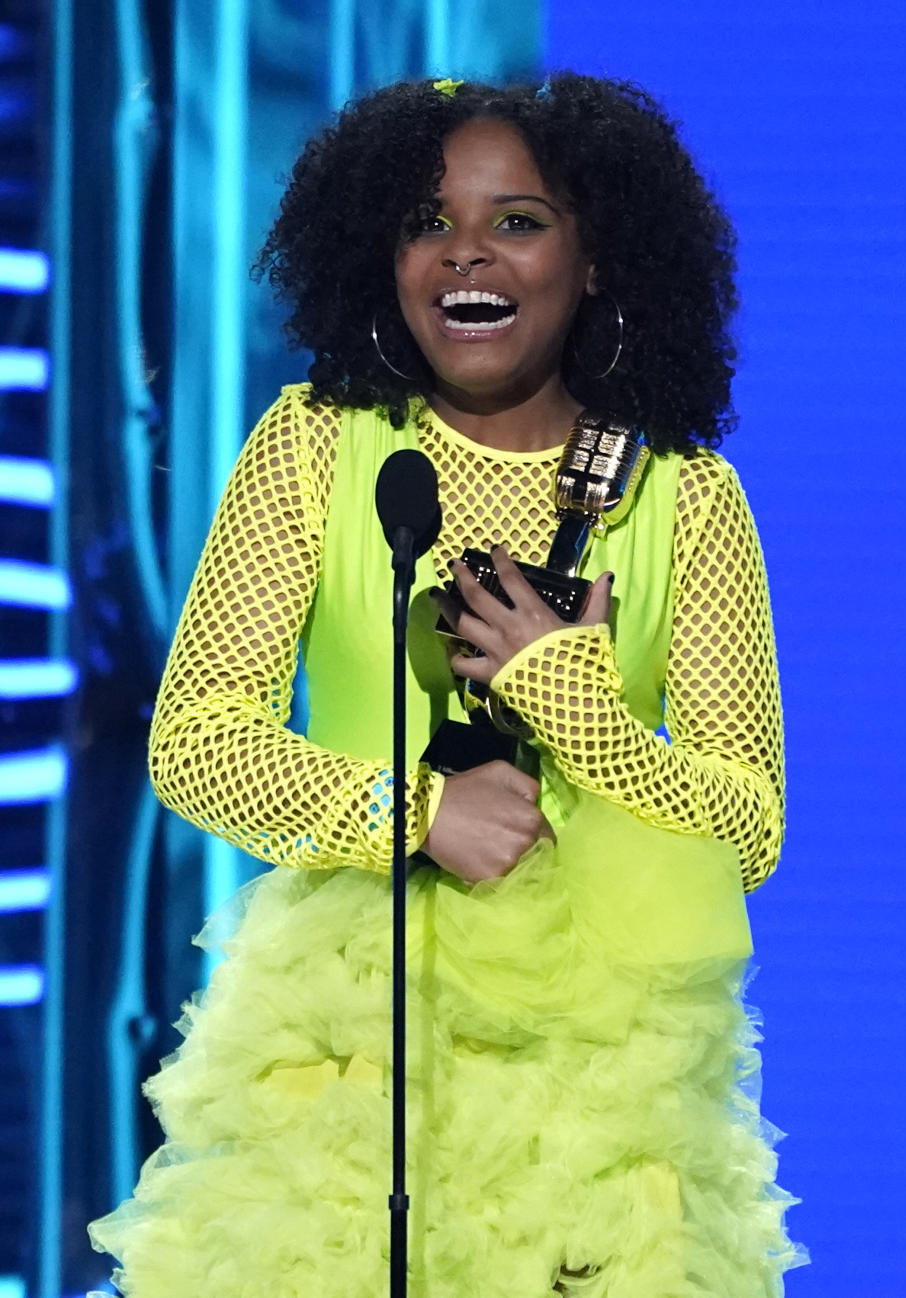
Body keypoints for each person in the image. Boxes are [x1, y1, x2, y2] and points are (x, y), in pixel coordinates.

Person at [89, 73, 808, 1297]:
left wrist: (568, 691)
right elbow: (197, 738)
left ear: (598, 261)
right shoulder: (316, 441)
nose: (465, 254)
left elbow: (749, 829)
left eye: (517, 221)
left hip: (603, 1068)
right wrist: (416, 814)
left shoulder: (686, 495)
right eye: (428, 222)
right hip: (354, 1038)